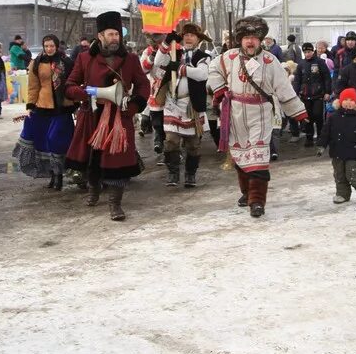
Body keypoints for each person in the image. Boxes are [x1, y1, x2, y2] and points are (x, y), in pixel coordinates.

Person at [208, 17, 307, 218]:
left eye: (254, 37)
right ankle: (247, 194)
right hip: (235, 113)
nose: (250, 41)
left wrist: (298, 112)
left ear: (261, 39)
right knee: (240, 157)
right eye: (246, 37)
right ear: (240, 39)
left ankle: (257, 202)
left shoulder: (271, 62)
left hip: (260, 113)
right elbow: (213, 70)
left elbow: (284, 88)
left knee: (259, 157)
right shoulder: (228, 57)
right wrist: (219, 91)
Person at [64, 12, 149, 220]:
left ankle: (115, 204)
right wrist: (86, 93)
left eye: (117, 34)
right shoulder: (85, 58)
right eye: (110, 34)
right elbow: (70, 86)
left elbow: (143, 85)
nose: (115, 38)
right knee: (93, 158)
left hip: (119, 116)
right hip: (92, 116)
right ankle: (93, 190)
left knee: (117, 162)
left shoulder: (130, 59)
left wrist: (134, 106)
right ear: (100, 35)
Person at [152, 24, 211, 188]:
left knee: (193, 144)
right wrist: (167, 42)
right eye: (186, 35)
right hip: (173, 104)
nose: (189, 38)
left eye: (192, 35)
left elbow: (202, 74)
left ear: (198, 39)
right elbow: (158, 62)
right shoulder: (173, 52)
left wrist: (180, 68)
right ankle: (173, 172)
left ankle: (190, 174)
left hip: (192, 106)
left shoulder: (203, 56)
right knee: (170, 141)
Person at [25, 35, 76, 190]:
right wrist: (30, 105)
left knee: (57, 141)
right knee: (47, 143)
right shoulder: (37, 63)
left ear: (56, 46)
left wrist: (77, 102)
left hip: (63, 107)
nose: (49, 49)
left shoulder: (66, 62)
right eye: (46, 46)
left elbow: (74, 82)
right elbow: (33, 87)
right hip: (44, 107)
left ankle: (61, 174)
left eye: (51, 46)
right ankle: (53, 175)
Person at [317, 88, 356, 203]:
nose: (348, 102)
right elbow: (326, 133)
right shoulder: (333, 117)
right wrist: (321, 146)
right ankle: (342, 194)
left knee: (352, 172)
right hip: (337, 151)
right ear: (340, 101)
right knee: (339, 175)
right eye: (345, 99)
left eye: (351, 100)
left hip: (353, 152)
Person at [293, 43, 332, 147]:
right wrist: (295, 93)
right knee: (307, 117)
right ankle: (309, 137)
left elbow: (327, 78)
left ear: (313, 51)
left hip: (318, 95)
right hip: (305, 95)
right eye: (305, 52)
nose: (307, 54)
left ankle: (320, 137)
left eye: (309, 52)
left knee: (318, 115)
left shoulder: (320, 62)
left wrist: (328, 92)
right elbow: (297, 80)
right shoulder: (301, 64)